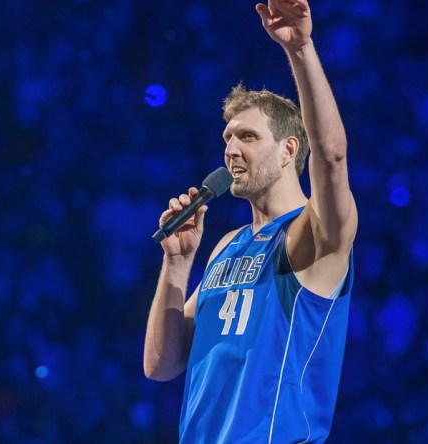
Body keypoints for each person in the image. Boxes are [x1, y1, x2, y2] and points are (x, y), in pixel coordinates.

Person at [143, 0, 358, 442]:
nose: (231, 150)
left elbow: (333, 157)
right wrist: (177, 265)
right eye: (227, 138)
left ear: (289, 150)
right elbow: (160, 365)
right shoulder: (227, 246)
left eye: (248, 137)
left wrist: (300, 49)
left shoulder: (311, 236)